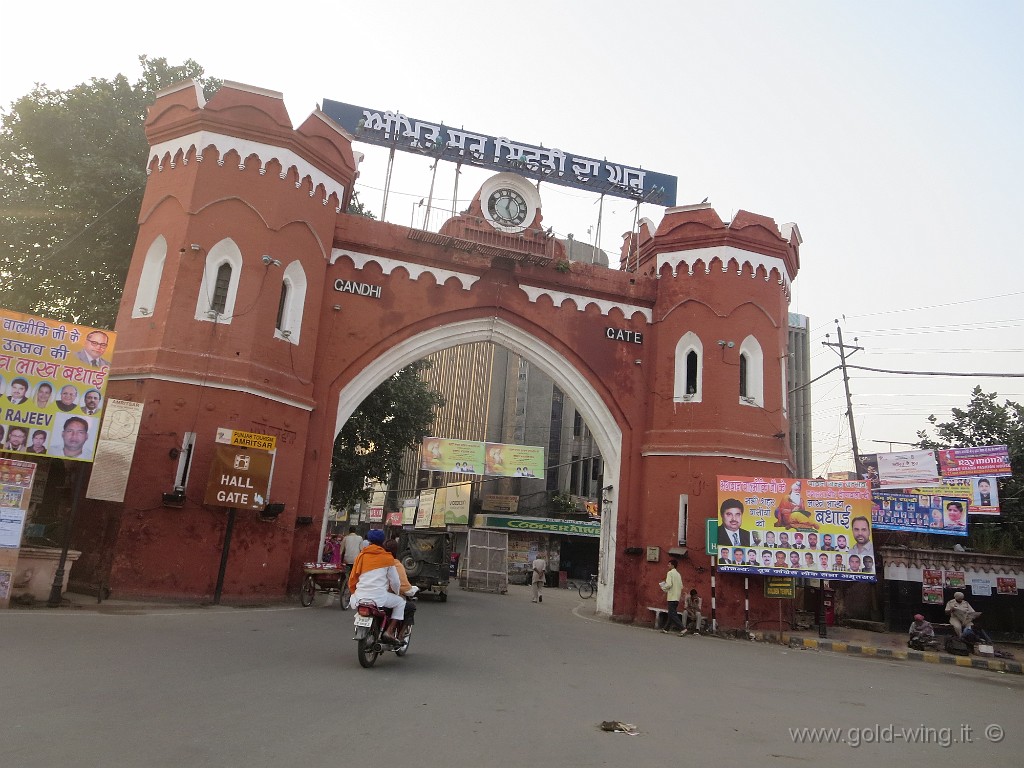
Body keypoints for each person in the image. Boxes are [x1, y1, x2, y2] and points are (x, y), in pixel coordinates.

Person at [347, 528, 406, 644]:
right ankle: (389, 631)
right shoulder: (387, 558)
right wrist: (397, 592)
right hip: (379, 598)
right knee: (400, 602)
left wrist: (354, 591)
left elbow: (353, 577)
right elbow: (395, 582)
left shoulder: (361, 556)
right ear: (383, 542)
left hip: (359, 597)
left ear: (368, 541)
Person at [661, 559, 685, 635]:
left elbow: (668, 584)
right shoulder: (678, 574)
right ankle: (666, 629)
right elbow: (681, 586)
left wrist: (663, 587)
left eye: (669, 564)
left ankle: (683, 628)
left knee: (672, 614)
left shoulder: (670, 573)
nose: (668, 565)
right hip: (677, 597)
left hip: (671, 597)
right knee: (671, 613)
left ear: (672, 565)